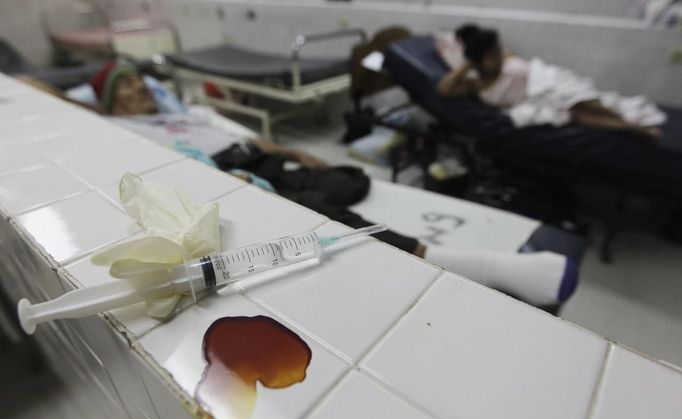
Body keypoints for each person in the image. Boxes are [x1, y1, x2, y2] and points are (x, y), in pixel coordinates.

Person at [34, 61, 579, 308]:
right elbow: (42, 91)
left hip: (256, 157)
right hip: (226, 174)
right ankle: (477, 267)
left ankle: (322, 200)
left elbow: (238, 135)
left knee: (350, 180)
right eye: (124, 89)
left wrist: (288, 150)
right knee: (329, 219)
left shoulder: (178, 110)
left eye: (140, 83)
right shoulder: (121, 127)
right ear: (109, 105)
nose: (139, 93)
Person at [437, 24, 666, 140]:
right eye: (490, 56)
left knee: (580, 100)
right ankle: (629, 128)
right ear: (477, 61)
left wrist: (490, 54)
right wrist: (467, 65)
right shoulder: (476, 83)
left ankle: (625, 120)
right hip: (533, 102)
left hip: (549, 82)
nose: (497, 57)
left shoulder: (505, 57)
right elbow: (444, 89)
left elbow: (535, 70)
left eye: (497, 51)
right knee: (573, 114)